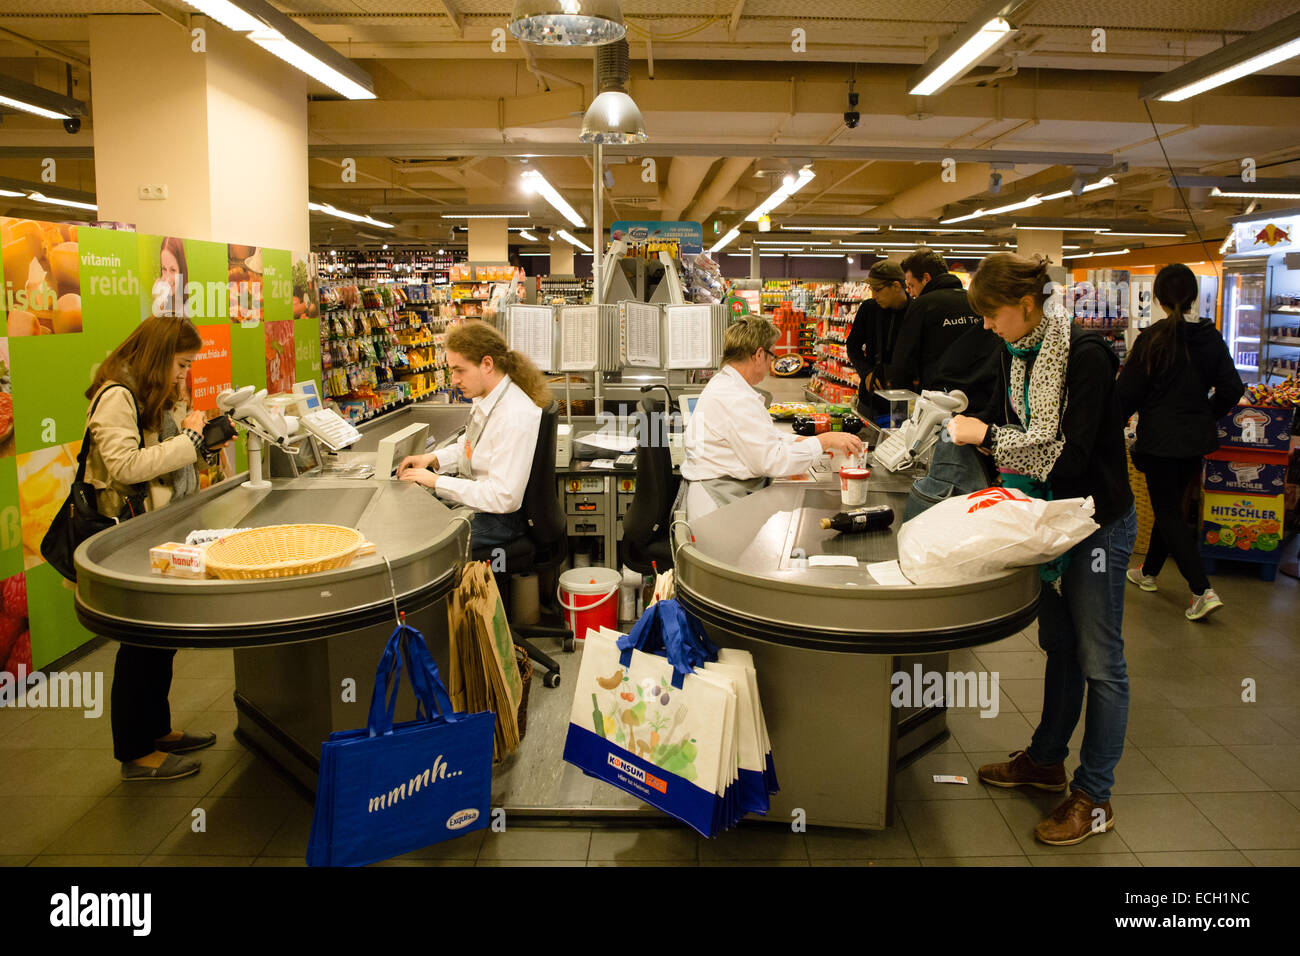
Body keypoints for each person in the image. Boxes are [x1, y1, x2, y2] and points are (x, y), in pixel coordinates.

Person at [947, 253, 1135, 846]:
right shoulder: (1018, 350)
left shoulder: (1085, 356)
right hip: (1048, 519)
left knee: (1102, 662)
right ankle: (1047, 760)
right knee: (1060, 646)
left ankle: (1094, 797)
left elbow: (1071, 457)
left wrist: (988, 437)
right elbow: (1010, 418)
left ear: (1027, 305)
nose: (987, 326)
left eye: (992, 314)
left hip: (1095, 523)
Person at [86, 316, 229, 781]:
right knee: (140, 642)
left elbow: (166, 458)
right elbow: (126, 466)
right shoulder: (116, 396)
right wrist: (189, 440)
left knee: (160, 638)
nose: (184, 374)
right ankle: (135, 751)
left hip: (159, 529)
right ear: (158, 355)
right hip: (130, 532)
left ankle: (158, 730)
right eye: (181, 364)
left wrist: (202, 438)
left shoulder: (152, 393)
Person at [1117, 263, 1245, 621]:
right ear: (1193, 297)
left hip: (1159, 441)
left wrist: (1112, 426)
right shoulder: (1209, 336)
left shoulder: (1152, 339)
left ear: (1157, 297)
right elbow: (1232, 388)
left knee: (1168, 511)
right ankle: (1148, 572)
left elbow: (1126, 395)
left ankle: (1202, 590)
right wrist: (1206, 414)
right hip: (1194, 441)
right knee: (1171, 507)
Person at [678, 316, 863, 521]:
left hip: (723, 490)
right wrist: (823, 441)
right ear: (759, 355)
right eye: (772, 355)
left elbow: (760, 435)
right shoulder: (735, 397)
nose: (771, 364)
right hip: (720, 503)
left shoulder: (727, 385)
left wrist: (800, 440)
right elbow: (773, 462)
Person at [396, 320, 551, 549]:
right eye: (452, 371)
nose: (454, 380)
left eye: (460, 370)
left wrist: (436, 481)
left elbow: (503, 497)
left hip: (499, 519)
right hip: (479, 504)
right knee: (410, 518)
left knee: (417, 541)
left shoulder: (514, 415)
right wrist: (432, 459)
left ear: (487, 364)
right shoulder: (486, 399)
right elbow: (469, 446)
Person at [887, 248, 1001, 413]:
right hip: (981, 398)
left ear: (926, 278)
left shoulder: (922, 305)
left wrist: (903, 410)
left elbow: (902, 362)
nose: (911, 293)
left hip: (938, 401)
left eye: (911, 285)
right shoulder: (972, 300)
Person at [846, 260, 910, 420]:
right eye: (871, 289)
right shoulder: (868, 309)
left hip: (905, 402)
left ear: (896, 286)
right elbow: (853, 346)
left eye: (877, 290)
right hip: (870, 400)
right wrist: (866, 372)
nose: (874, 295)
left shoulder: (916, 311)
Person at [151, 237, 188, 318]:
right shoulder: (161, 301)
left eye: (173, 270)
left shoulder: (185, 310)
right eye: (164, 269)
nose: (168, 279)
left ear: (181, 270)